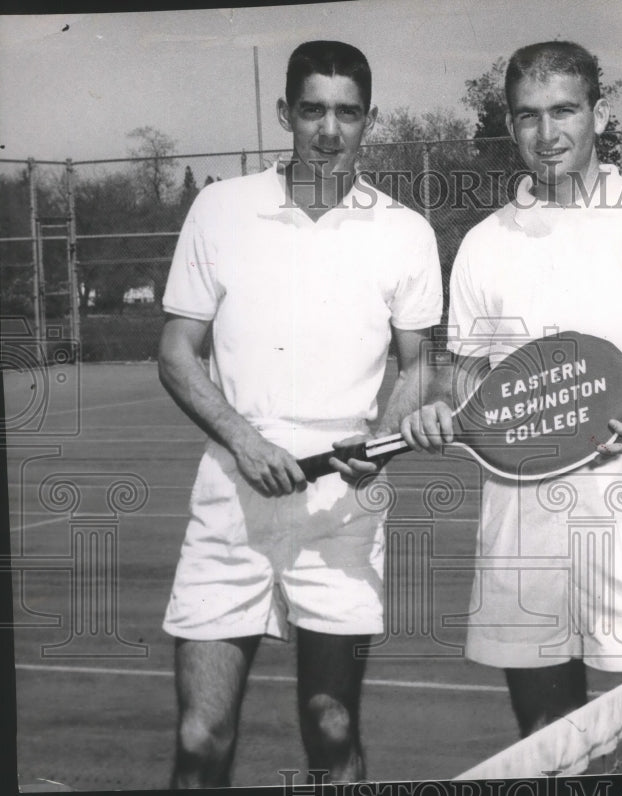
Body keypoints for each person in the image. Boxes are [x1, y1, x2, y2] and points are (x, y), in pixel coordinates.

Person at [400, 41, 622, 770]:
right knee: (548, 742)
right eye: (527, 116)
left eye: (564, 111)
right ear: (509, 126)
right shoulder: (485, 245)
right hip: (519, 514)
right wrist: (444, 411)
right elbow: (470, 376)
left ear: (600, 114)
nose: (547, 134)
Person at [158, 40, 442, 786]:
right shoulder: (221, 208)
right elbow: (177, 353)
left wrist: (378, 446)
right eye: (312, 109)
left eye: (347, 113)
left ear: (369, 120)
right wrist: (246, 442)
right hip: (232, 499)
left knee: (332, 728)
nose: (328, 129)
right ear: (285, 113)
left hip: (343, 509)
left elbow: (419, 368)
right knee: (201, 736)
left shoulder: (405, 231)